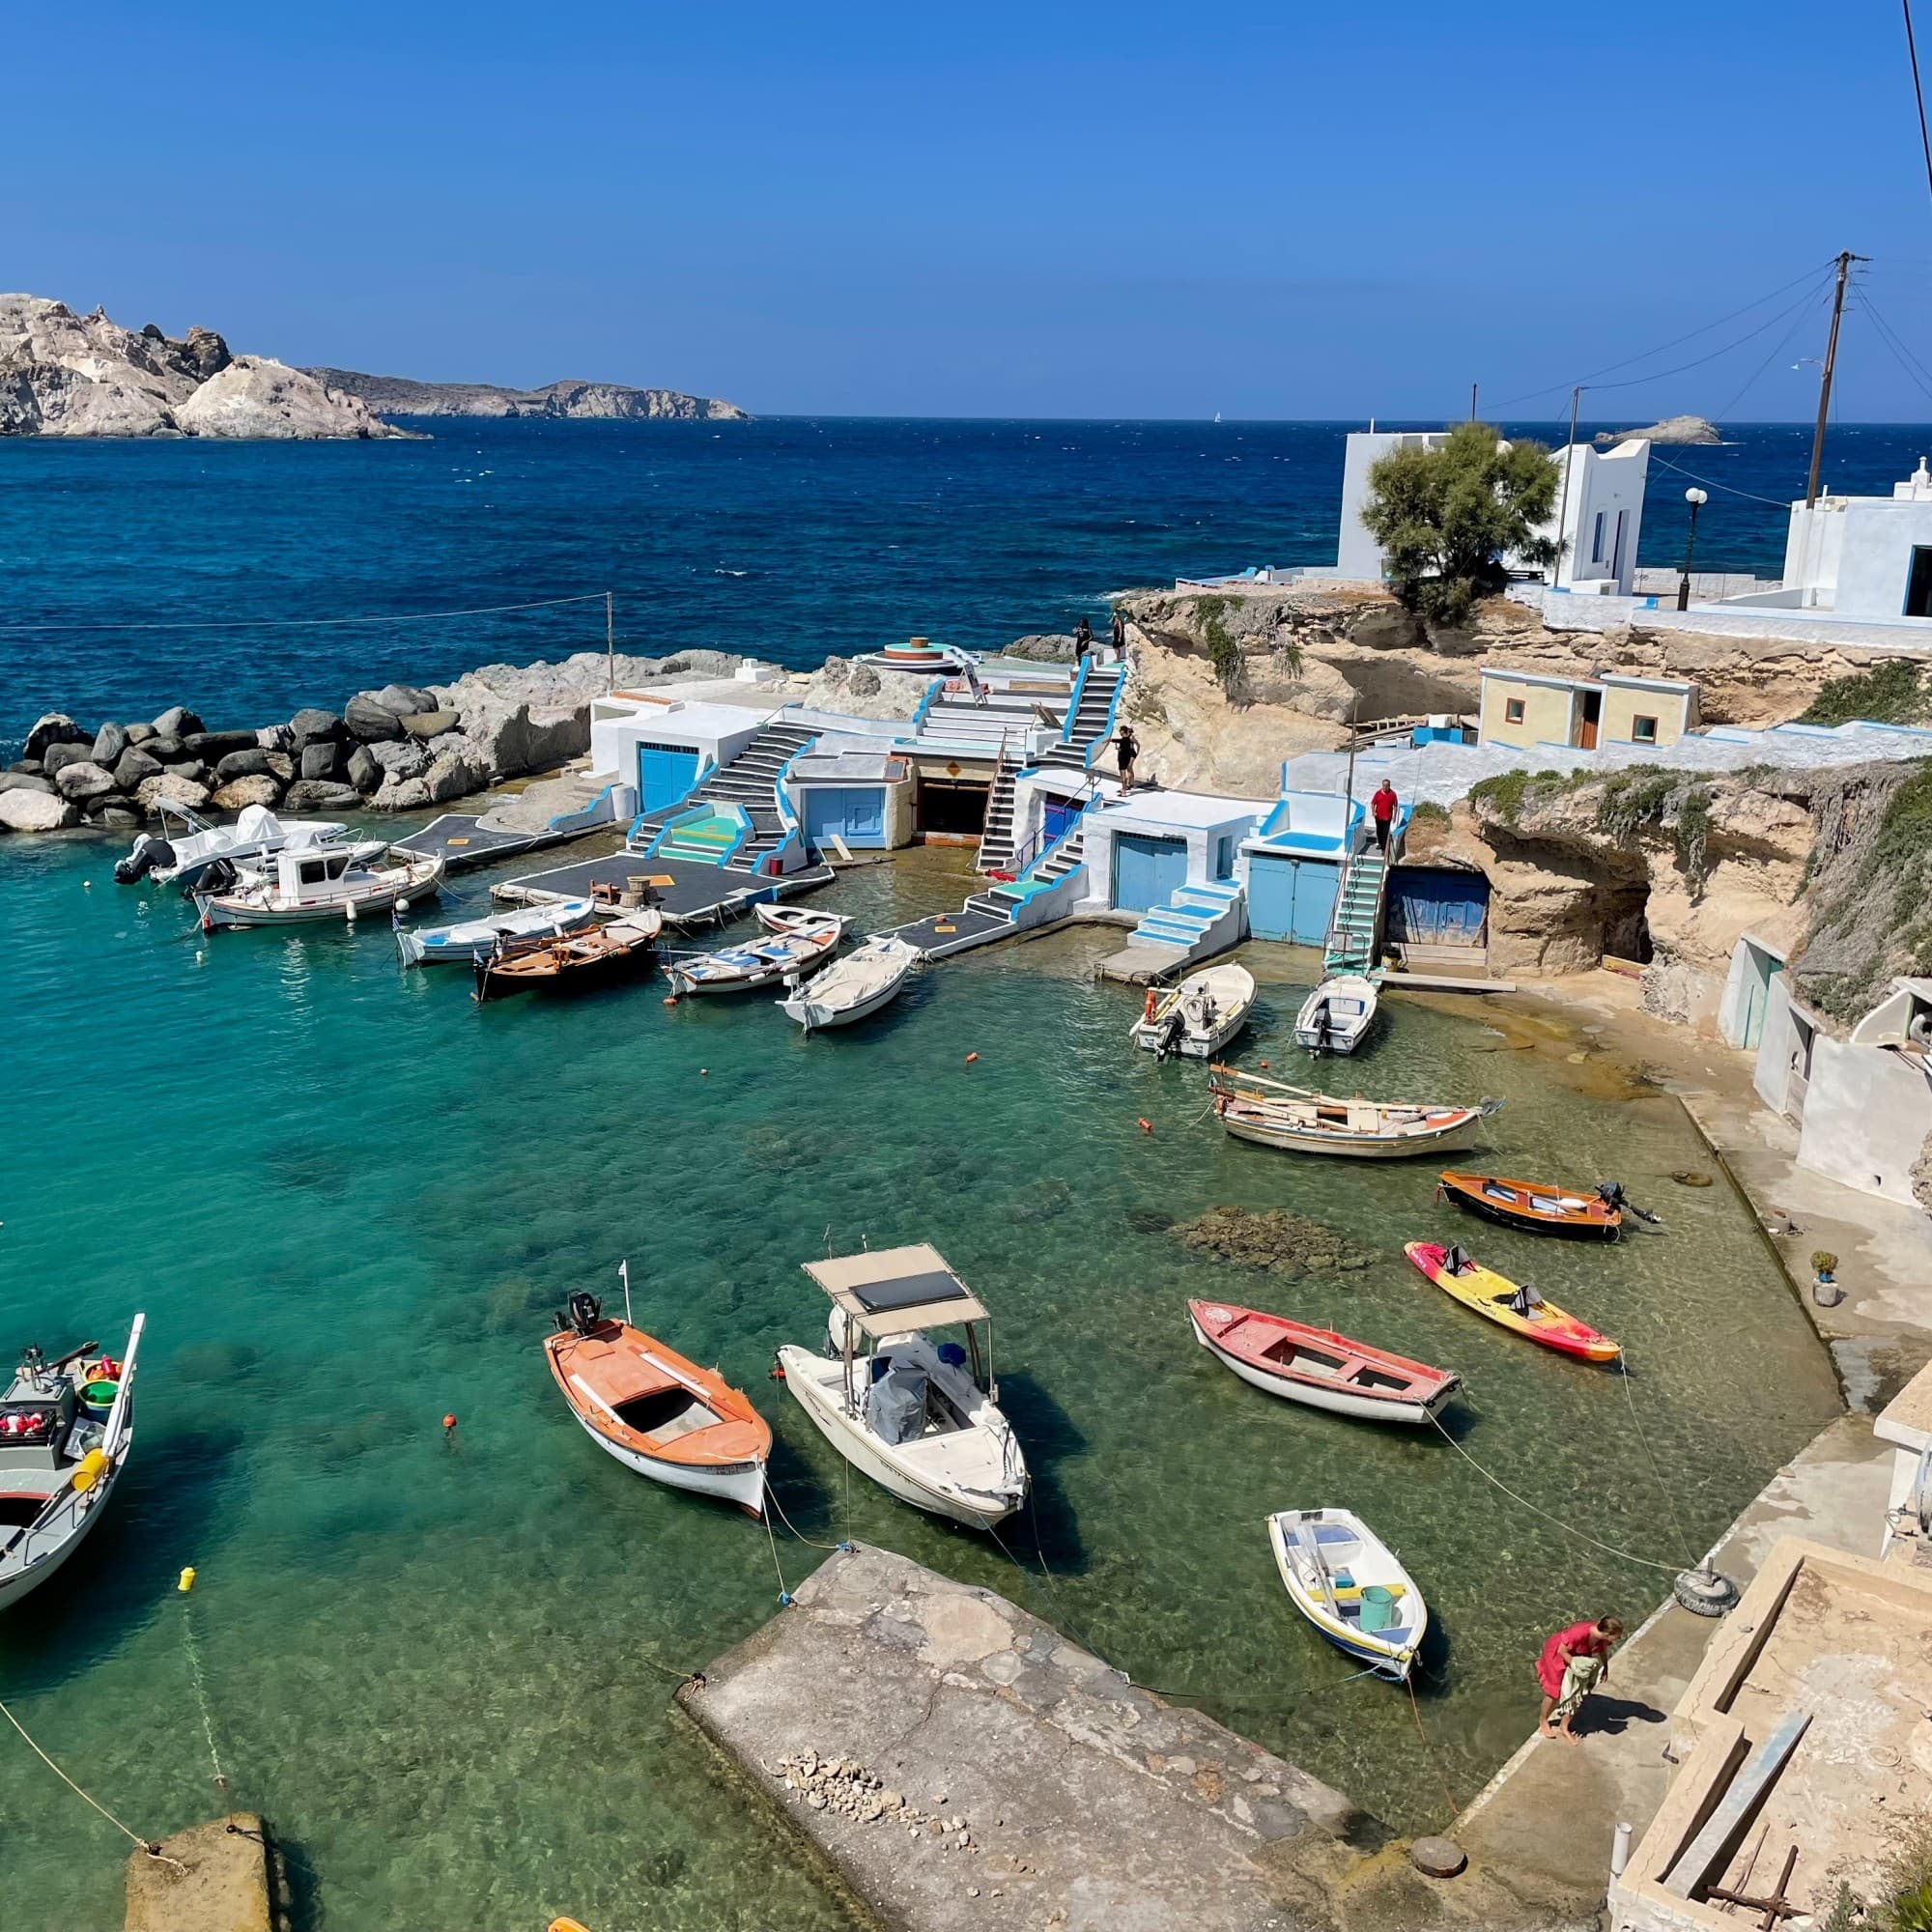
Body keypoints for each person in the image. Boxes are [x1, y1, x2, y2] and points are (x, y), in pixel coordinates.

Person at [1536, 1615, 1624, 1745]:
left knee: (1577, 1693)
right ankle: (1543, 1720)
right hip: (1558, 1655)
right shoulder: (1578, 1633)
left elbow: (1603, 1650)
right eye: (1616, 1636)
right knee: (1554, 1692)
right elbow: (1562, 1650)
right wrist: (1575, 1665)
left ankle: (1564, 1727)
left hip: (1578, 1656)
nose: (1618, 1639)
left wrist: (1605, 1666)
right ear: (1606, 1634)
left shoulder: (1601, 1638)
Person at [1371, 779, 1399, 854]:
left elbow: (1395, 806)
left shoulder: (1393, 794)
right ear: (1382, 785)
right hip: (1378, 816)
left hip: (1387, 817)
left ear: (1389, 786)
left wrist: (1395, 816)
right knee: (1379, 832)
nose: (1385, 787)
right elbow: (1373, 803)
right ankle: (1380, 843)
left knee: (1385, 833)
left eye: (1387, 785)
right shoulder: (1378, 793)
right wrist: (1373, 812)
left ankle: (1384, 849)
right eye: (1384, 785)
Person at [1115, 723, 1139, 789]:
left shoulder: (1131, 737)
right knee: (1130, 769)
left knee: (1129, 768)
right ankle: (1131, 783)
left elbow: (1137, 745)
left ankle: (1128, 784)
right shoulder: (1126, 736)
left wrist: (1137, 753)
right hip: (1128, 753)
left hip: (1131, 754)